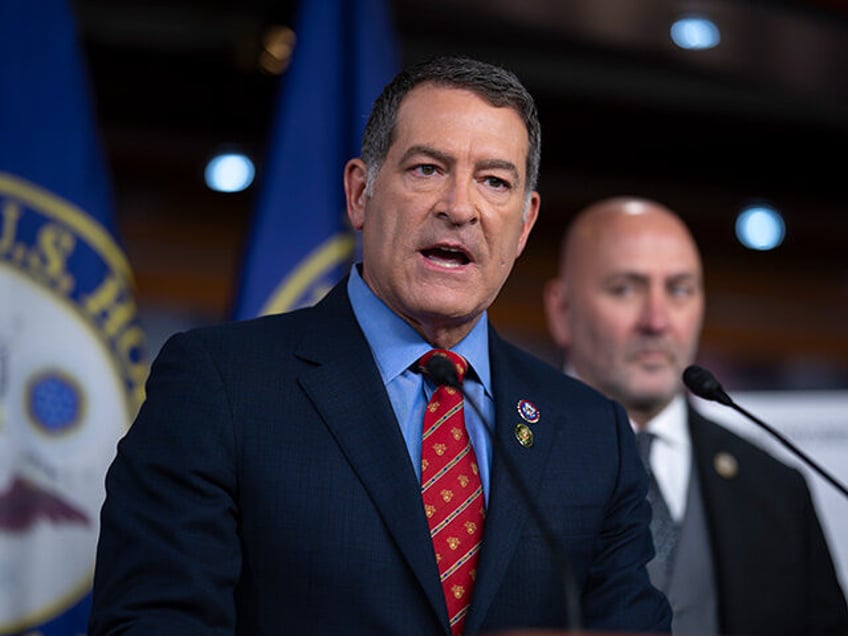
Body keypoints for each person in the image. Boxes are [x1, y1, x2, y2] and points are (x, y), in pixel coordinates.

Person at [88, 57, 671, 635]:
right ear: (361, 194)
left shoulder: (594, 433)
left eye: (495, 181)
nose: (460, 207)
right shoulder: (220, 386)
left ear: (523, 225)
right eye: (427, 169)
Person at [543, 196, 848, 635]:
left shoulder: (776, 489)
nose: (657, 320)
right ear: (562, 311)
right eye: (625, 288)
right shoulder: (497, 458)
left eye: (680, 289)